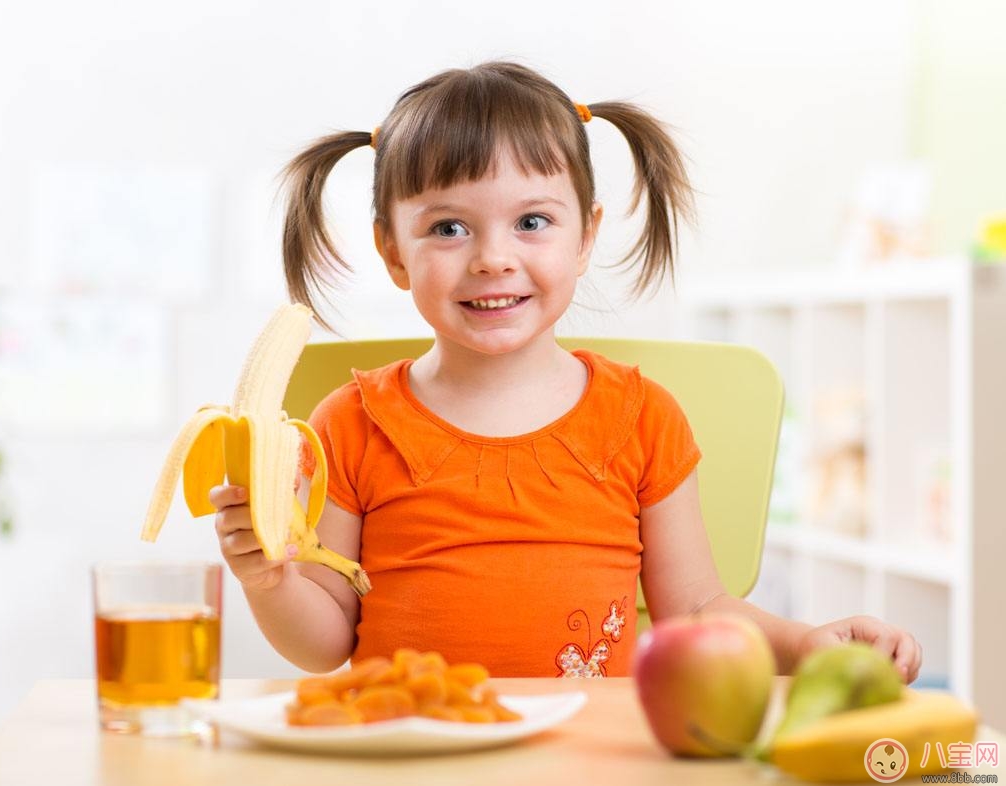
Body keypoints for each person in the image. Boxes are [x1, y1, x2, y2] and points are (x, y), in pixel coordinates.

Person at [210, 61, 923, 680]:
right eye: (448, 228)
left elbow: (696, 613)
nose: (492, 257)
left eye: (532, 222)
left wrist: (807, 644)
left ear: (585, 235)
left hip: (586, 754)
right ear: (394, 253)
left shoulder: (643, 418)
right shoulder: (350, 423)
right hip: (411, 746)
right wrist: (270, 580)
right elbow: (326, 640)